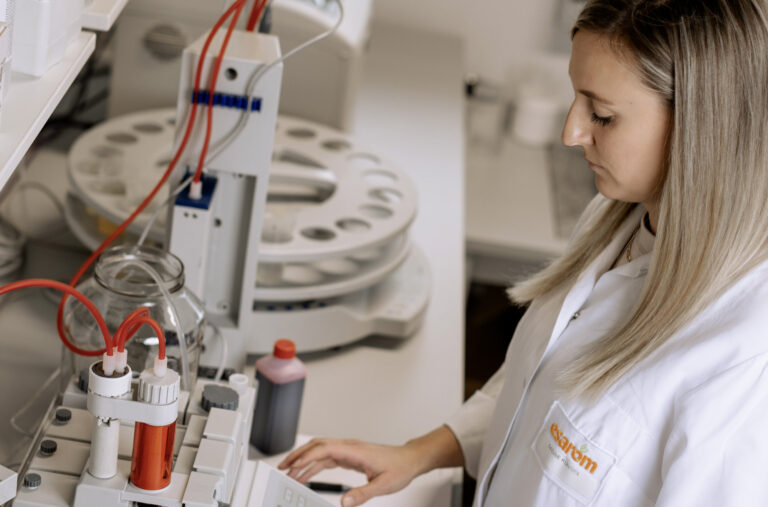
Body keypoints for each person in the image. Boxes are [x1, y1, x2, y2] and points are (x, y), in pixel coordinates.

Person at [279, 0, 768, 505]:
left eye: (601, 114)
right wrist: (418, 453)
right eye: (576, 100)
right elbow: (539, 388)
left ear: (699, 129)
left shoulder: (745, 362)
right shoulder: (614, 220)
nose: (572, 133)